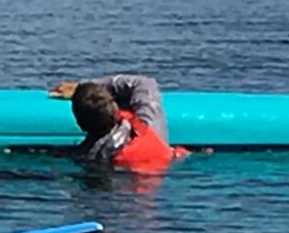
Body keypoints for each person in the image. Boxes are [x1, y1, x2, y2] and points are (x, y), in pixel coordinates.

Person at [48, 73, 188, 172]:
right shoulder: (149, 129)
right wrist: (82, 85)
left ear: (80, 124)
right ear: (116, 109)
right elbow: (144, 84)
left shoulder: (84, 157)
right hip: (168, 168)